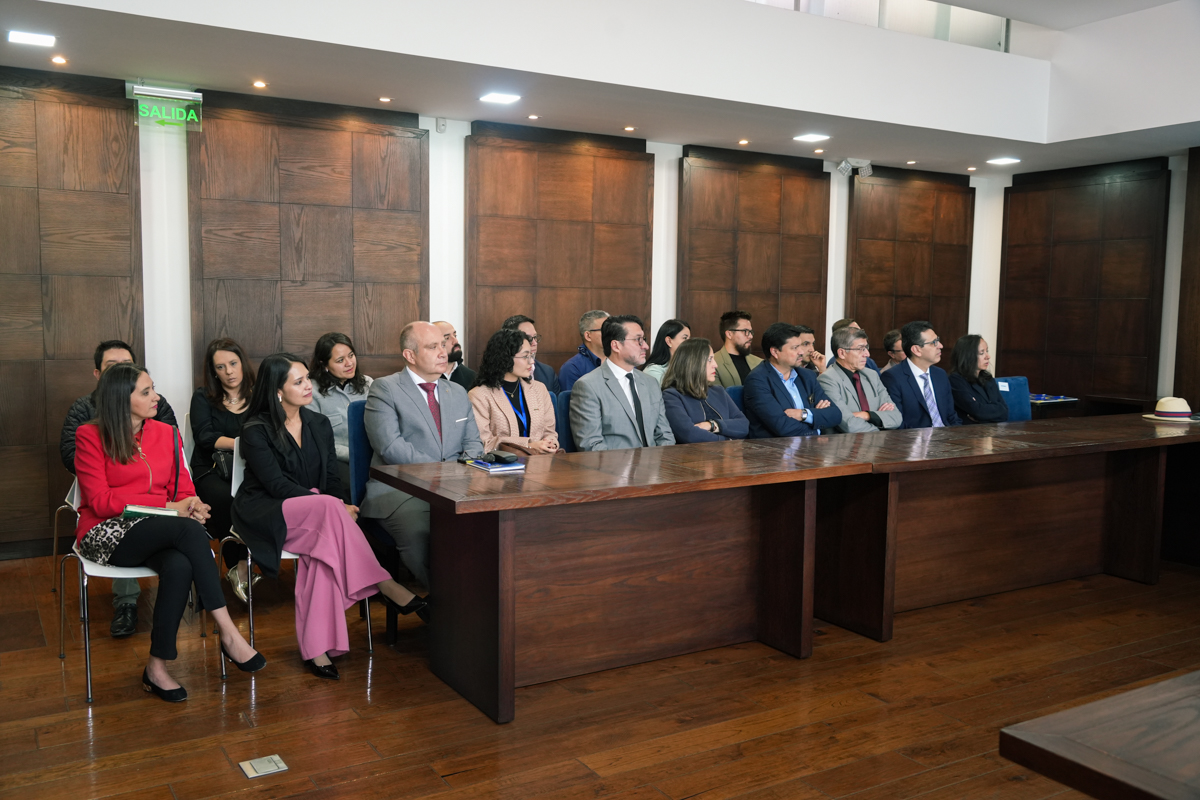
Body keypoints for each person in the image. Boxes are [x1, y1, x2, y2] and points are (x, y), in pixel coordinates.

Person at [231, 354, 428, 680]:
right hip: (267, 511)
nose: (308, 386)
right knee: (327, 513)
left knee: (321, 549)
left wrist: (338, 503)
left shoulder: (318, 423)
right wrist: (333, 506)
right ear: (277, 391)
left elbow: (331, 478)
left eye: (307, 378)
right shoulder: (255, 430)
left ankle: (317, 649)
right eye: (298, 382)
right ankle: (383, 583)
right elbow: (276, 486)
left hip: (317, 515)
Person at [74, 363, 263, 702]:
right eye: (146, 392)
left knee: (179, 564)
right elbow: (100, 502)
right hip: (106, 533)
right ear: (121, 399)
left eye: (153, 388)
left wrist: (192, 504)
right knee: (188, 533)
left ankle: (156, 668)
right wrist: (169, 507)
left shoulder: (166, 433)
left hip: (160, 528)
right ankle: (229, 633)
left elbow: (182, 488)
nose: (157, 397)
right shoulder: (90, 436)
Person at [60, 340, 179, 639]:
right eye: (114, 367)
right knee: (124, 519)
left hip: (154, 497)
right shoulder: (84, 409)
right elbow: (70, 455)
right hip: (104, 498)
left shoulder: (157, 406)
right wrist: (114, 472)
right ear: (99, 374)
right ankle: (126, 603)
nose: (124, 371)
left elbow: (172, 452)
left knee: (178, 534)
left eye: (129, 365)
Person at [360, 322, 484, 588]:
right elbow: (390, 447)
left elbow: (474, 444)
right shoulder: (385, 388)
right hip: (401, 490)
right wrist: (444, 472)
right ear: (410, 355)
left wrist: (456, 477)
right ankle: (445, 602)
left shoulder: (457, 391)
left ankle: (474, 600)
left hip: (456, 488)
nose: (443, 352)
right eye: (432, 347)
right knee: (423, 533)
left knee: (489, 527)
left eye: (443, 345)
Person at [190, 337, 255, 600]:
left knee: (257, 495)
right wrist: (241, 443)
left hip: (250, 467)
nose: (229, 372)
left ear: (242, 363)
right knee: (226, 497)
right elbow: (204, 437)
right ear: (213, 371)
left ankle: (243, 564)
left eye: (233, 363)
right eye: (220, 367)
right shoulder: (202, 397)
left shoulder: (258, 396)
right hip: (211, 468)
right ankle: (236, 565)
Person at [570, 315, 675, 451]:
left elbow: (664, 435)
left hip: (655, 462)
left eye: (644, 340)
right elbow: (591, 445)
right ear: (616, 345)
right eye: (638, 340)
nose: (646, 346)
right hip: (615, 463)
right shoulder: (588, 386)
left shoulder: (651, 383)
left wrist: (662, 462)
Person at [743, 323, 841, 439]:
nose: (801, 352)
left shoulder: (807, 375)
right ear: (775, 352)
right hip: (774, 447)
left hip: (810, 446)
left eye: (800, 346)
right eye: (795, 348)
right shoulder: (757, 380)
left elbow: (836, 414)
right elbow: (783, 427)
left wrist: (803, 414)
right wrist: (816, 423)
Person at [469, 329, 559, 454]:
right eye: (525, 356)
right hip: (502, 463)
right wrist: (528, 446)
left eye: (531, 355)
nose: (531, 361)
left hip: (541, 460)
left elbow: (550, 432)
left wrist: (549, 443)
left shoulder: (539, 389)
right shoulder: (479, 395)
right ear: (505, 357)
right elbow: (485, 443)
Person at [308, 332, 373, 499]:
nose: (349, 363)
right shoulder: (312, 392)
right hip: (336, 460)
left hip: (372, 457)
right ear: (324, 365)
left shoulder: (368, 384)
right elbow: (318, 441)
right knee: (349, 486)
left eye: (351, 355)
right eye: (340, 360)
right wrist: (355, 455)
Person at [661, 338, 749, 443]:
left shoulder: (719, 391)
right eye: (710, 359)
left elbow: (744, 425)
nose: (715, 365)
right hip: (694, 453)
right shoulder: (671, 396)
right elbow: (689, 435)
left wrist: (712, 425)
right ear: (693, 363)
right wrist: (726, 441)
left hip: (727, 452)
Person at [817, 326, 902, 433]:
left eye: (866, 348)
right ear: (842, 353)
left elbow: (897, 417)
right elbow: (848, 424)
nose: (867, 354)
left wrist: (866, 415)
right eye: (860, 349)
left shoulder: (872, 375)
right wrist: (879, 421)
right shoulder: (827, 379)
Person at [880, 320, 962, 429]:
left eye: (938, 340)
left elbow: (951, 416)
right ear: (917, 350)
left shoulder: (940, 374)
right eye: (934, 342)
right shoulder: (893, 378)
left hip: (946, 436)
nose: (941, 346)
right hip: (915, 438)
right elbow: (898, 423)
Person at [948, 334, 1009, 424]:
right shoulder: (956, 380)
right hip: (969, 430)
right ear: (968, 356)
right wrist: (990, 412)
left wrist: (982, 415)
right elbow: (977, 411)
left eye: (987, 351)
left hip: (991, 429)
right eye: (981, 353)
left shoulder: (988, 378)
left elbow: (1004, 411)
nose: (988, 356)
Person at [501, 315, 560, 392]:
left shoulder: (548, 373)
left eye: (535, 337)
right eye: (528, 338)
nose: (534, 343)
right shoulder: (497, 376)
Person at [558, 310, 609, 392]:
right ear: (588, 336)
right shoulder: (572, 368)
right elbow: (576, 399)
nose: (612, 334)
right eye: (606, 330)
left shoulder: (621, 360)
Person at [713, 311, 762, 388]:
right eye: (745, 331)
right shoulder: (713, 363)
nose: (750, 336)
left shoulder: (759, 363)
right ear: (729, 334)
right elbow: (716, 394)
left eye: (750, 332)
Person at [642, 319, 690, 385]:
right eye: (684, 338)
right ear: (669, 341)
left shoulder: (685, 367)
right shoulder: (653, 370)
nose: (689, 343)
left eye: (689, 339)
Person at [434, 321, 476, 390]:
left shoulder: (471, 376)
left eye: (455, 335)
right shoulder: (425, 376)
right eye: (447, 338)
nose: (455, 341)